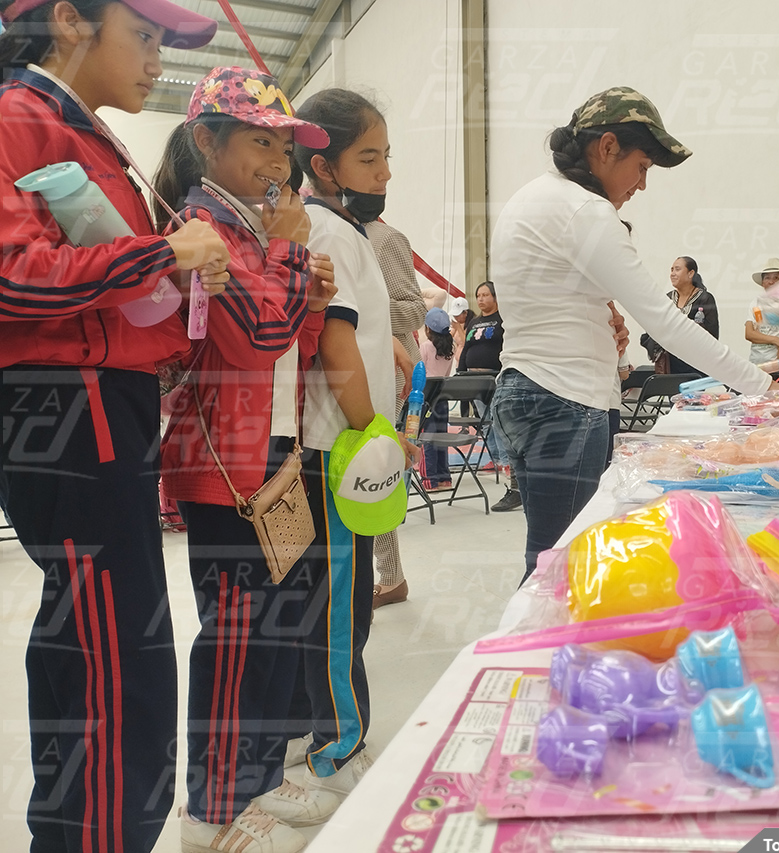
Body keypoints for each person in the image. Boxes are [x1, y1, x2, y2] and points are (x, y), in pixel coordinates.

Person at [0, 0, 229, 849]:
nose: (155, 59)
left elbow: (118, 293)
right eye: (144, 36)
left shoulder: (85, 132)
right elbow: (13, 276)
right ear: (68, 20)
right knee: (112, 650)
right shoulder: (18, 118)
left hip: (103, 396)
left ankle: (81, 834)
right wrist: (164, 254)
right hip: (69, 400)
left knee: (98, 637)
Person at [154, 66, 338, 852]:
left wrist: (309, 293)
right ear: (207, 141)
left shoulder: (254, 235)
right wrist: (293, 259)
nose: (278, 161)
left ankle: (257, 781)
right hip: (223, 464)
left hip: (266, 453)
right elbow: (253, 341)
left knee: (268, 632)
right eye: (260, 140)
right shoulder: (204, 231)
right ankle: (214, 811)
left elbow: (285, 347)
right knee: (234, 640)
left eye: (285, 145)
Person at [490, 86, 772, 583]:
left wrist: (602, 319)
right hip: (566, 400)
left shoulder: (531, 197)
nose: (642, 184)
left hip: (525, 391)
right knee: (560, 570)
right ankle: (534, 658)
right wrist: (760, 386)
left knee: (548, 557)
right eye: (641, 166)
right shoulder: (586, 210)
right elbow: (665, 323)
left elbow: (553, 298)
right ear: (606, 148)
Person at [289, 87, 418, 799]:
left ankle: (326, 723)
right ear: (325, 165)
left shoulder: (345, 228)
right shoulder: (330, 230)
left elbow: (359, 328)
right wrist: (374, 430)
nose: (385, 172)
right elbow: (335, 337)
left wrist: (392, 349)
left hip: (345, 443)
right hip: (338, 449)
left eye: (386, 156)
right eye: (369, 158)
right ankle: (337, 741)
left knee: (343, 596)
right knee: (342, 603)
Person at [364, 185, 426, 607]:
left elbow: (415, 308)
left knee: (377, 473)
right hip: (352, 370)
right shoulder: (325, 228)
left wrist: (356, 312)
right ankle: (390, 575)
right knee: (368, 476)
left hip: (391, 377)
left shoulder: (385, 239)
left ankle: (389, 576)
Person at [459, 280, 520, 511]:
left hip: (495, 377)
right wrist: (461, 371)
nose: (482, 299)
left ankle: (506, 462)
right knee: (485, 422)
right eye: (479, 295)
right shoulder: (474, 322)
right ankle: (494, 458)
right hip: (473, 378)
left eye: (486, 295)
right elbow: (466, 347)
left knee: (499, 422)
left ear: (495, 298)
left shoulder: (502, 319)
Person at [640, 256, 720, 375]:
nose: (672, 274)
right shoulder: (667, 299)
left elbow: (712, 334)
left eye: (677, 269)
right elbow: (653, 328)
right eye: (671, 270)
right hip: (670, 365)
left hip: (696, 365)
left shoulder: (705, 298)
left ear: (690, 273)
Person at [419, 307, 456, 490]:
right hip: (443, 397)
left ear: (427, 328)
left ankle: (429, 480)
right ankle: (444, 478)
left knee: (428, 438)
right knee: (441, 438)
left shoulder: (425, 347)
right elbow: (447, 374)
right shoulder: (450, 348)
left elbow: (420, 373)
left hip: (428, 398)